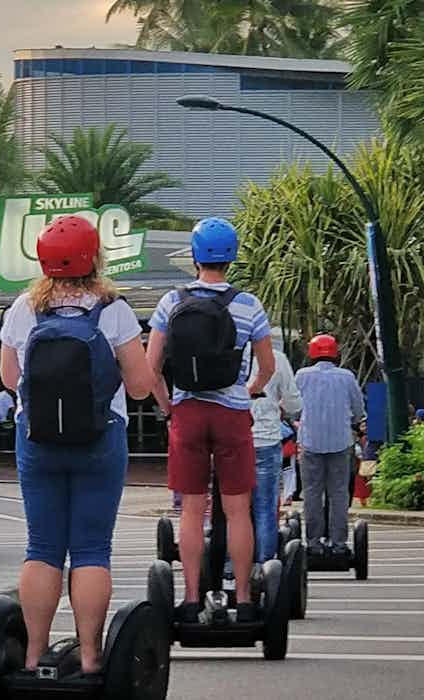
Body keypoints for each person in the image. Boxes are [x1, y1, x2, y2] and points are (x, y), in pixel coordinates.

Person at [0, 215, 153, 674]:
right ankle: (89, 657)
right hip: (100, 439)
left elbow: (10, 379)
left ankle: (32, 657)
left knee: (42, 545)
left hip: (38, 440)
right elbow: (142, 386)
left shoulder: (25, 307)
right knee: (90, 549)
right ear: (95, 257)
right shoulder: (114, 309)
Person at [147, 217, 274, 623]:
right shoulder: (248, 305)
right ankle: (242, 597)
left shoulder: (172, 302)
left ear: (195, 255)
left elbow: (152, 368)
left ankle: (188, 598)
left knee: (191, 509)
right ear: (232, 256)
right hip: (232, 413)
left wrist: (168, 406)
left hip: (188, 410)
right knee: (238, 510)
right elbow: (267, 368)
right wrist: (247, 390)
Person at [295, 334, 366, 557]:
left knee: (312, 493)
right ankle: (338, 543)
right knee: (338, 494)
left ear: (312, 353)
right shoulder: (347, 377)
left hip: (310, 442)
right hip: (340, 442)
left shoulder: (302, 376)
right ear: (335, 353)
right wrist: (353, 420)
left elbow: (294, 407)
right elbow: (358, 409)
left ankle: (314, 543)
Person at [247, 338, 301, 563]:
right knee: (266, 507)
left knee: (231, 508)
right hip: (266, 439)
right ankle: (265, 566)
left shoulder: (223, 356)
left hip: (232, 439)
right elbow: (294, 404)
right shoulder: (276, 359)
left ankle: (230, 565)